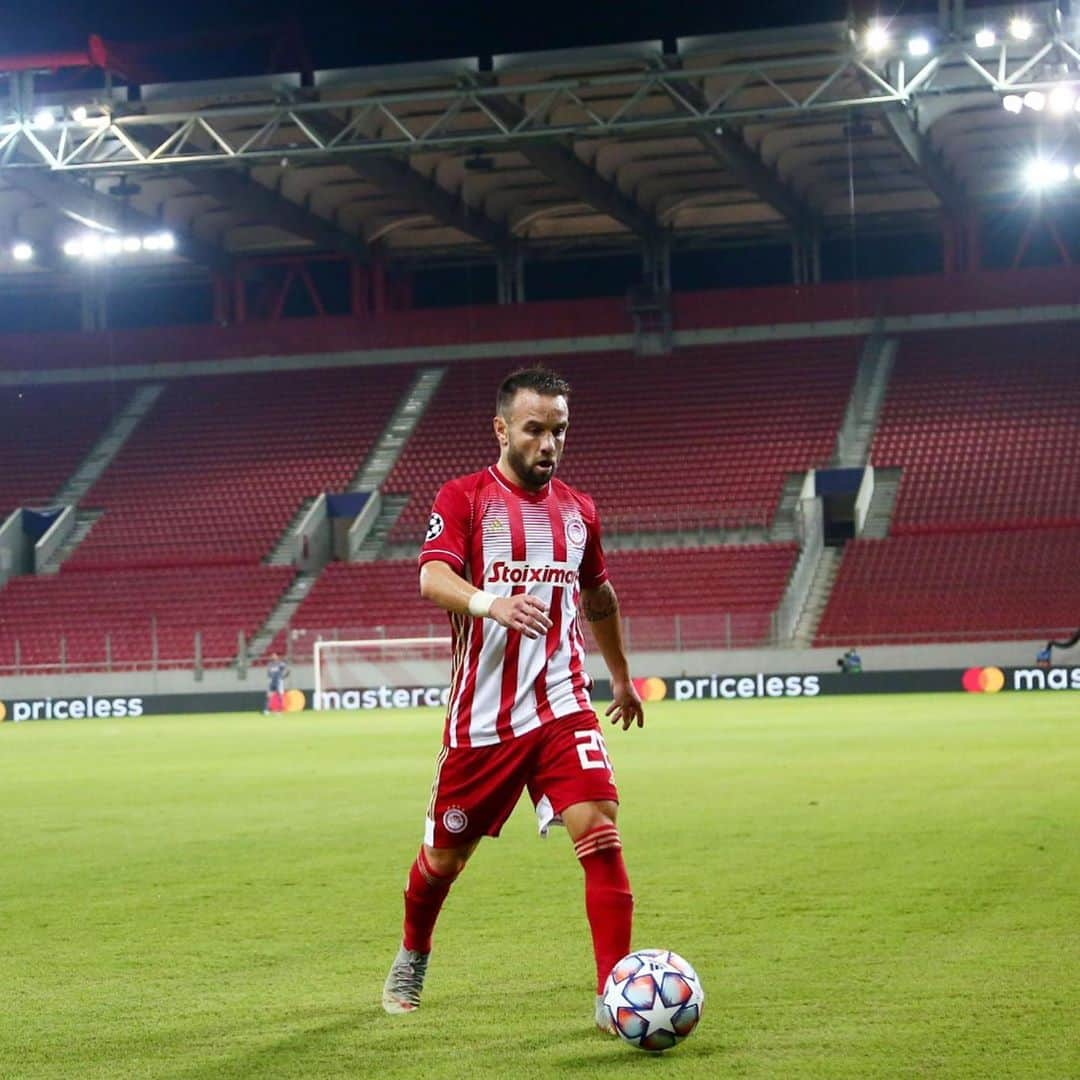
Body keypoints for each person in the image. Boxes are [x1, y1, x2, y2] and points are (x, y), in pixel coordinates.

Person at [381, 366, 645, 1033]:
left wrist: (619, 673)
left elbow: (599, 595)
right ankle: (414, 952)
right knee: (444, 860)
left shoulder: (581, 510)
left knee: (601, 829)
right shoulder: (467, 497)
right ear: (502, 429)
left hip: (562, 704)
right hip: (484, 718)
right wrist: (489, 602)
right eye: (535, 429)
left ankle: (614, 994)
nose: (548, 443)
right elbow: (431, 576)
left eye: (559, 430)